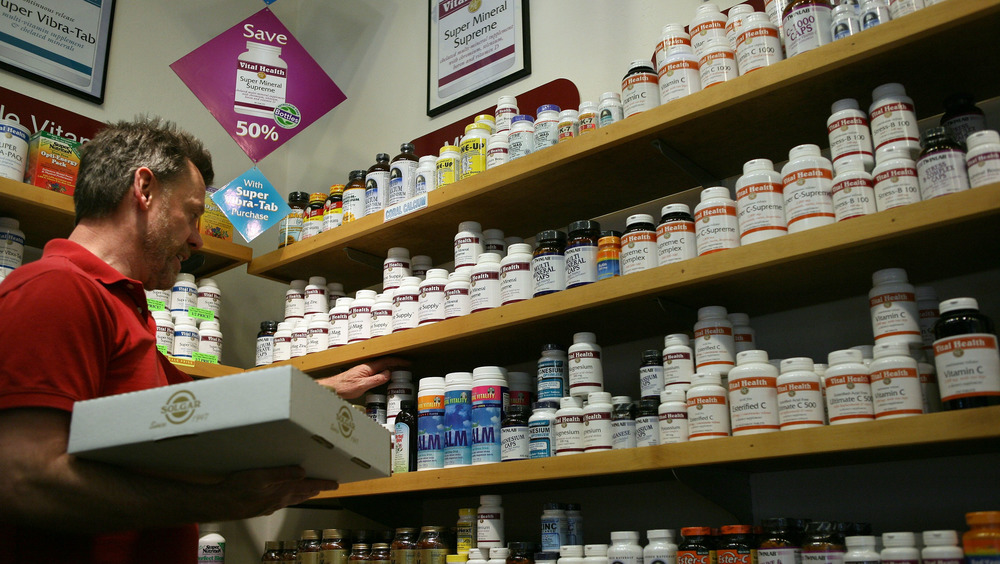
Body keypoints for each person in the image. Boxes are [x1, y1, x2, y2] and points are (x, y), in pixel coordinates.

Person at [0, 117, 402, 562]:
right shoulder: (55, 288)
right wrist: (222, 503)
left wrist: (322, 393)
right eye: (192, 214)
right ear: (144, 189)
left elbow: (204, 407)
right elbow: (22, 478)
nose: (196, 239)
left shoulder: (125, 310)